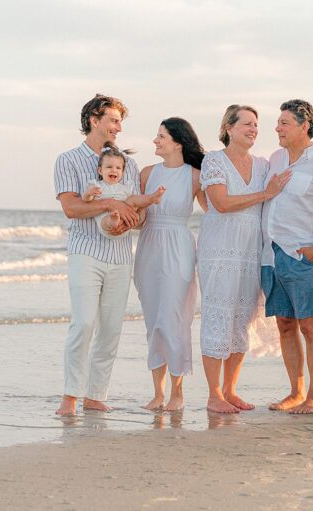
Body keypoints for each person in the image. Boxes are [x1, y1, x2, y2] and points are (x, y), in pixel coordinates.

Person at [53, 94, 140, 416]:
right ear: (94, 119)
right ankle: (70, 396)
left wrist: (129, 218)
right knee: (84, 322)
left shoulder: (127, 165)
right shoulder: (68, 160)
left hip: (120, 255)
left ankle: (95, 395)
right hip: (85, 252)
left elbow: (136, 210)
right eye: (114, 120)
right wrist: (108, 204)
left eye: (120, 122)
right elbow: (71, 208)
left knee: (111, 328)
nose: (118, 128)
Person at [198, 104, 288, 414]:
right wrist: (266, 194)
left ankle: (230, 390)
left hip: (251, 251)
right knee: (217, 317)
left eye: (256, 125)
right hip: (219, 250)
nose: (253, 129)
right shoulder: (214, 161)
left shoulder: (263, 165)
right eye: (247, 124)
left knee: (242, 318)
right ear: (228, 128)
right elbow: (220, 203)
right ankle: (213, 395)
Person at [262, 99, 313, 415]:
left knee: (309, 326)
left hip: (301, 256)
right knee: (284, 324)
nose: (277, 128)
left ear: (303, 126)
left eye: (284, 123)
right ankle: (295, 392)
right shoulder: (276, 159)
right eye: (278, 122)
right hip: (272, 254)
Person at [133, 117, 207, 412]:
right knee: (154, 321)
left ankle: (178, 392)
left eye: (161, 136)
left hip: (179, 245)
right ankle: (157, 393)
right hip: (149, 246)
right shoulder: (147, 173)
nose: (155, 140)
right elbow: (137, 218)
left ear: (178, 142)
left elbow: (214, 213)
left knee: (174, 317)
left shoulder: (195, 176)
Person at [82, 142, 164, 236]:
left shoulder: (125, 188)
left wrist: (138, 210)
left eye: (118, 168)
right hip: (107, 226)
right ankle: (113, 220)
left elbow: (135, 207)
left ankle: (152, 198)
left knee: (132, 199)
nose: (114, 170)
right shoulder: (97, 186)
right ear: (100, 170)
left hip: (126, 223)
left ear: (122, 172)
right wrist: (89, 193)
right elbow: (85, 199)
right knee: (106, 219)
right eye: (109, 167)